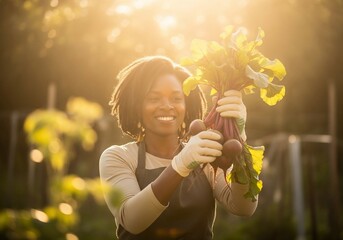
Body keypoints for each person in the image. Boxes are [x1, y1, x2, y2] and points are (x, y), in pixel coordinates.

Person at [99, 56, 258, 240]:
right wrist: (180, 165)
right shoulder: (119, 157)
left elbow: (244, 207)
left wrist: (240, 139)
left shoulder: (205, 155)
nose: (167, 106)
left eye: (176, 98)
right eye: (154, 98)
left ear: (186, 105)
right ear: (137, 106)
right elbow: (132, 220)